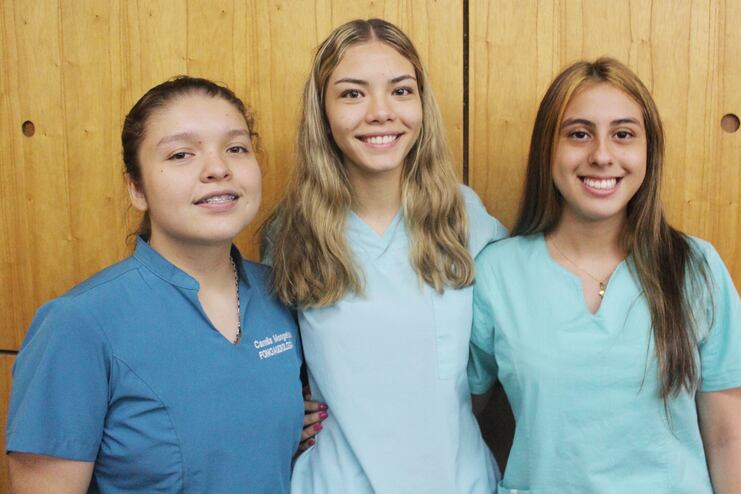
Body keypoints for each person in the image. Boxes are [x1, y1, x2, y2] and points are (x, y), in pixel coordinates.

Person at [469, 57, 741, 493]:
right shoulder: (498, 273)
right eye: (578, 134)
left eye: (623, 134)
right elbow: (455, 418)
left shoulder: (693, 266)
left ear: (649, 151)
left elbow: (727, 438)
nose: (602, 155)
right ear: (546, 150)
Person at [6, 77, 306, 493]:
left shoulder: (284, 294)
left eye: (236, 148)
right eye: (181, 153)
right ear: (137, 188)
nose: (218, 168)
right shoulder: (77, 324)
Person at [262, 18, 505, 494]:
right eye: (352, 94)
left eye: (400, 91)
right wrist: (283, 410)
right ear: (324, 113)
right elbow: (264, 359)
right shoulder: (291, 231)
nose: (380, 113)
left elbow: (493, 365)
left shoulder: (467, 219)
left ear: (420, 104)